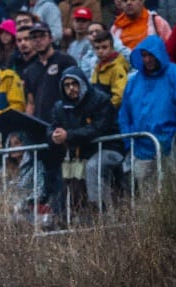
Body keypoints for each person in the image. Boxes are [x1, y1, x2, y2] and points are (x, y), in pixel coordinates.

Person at [118, 36, 176, 186]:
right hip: (141, 148)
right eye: (144, 55)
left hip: (171, 145)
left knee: (174, 191)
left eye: (151, 55)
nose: (147, 60)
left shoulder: (175, 75)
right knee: (146, 197)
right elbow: (124, 114)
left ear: (159, 54)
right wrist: (129, 142)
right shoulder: (134, 81)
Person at [47, 67, 124, 212]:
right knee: (63, 174)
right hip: (81, 153)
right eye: (67, 85)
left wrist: (68, 135)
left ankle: (99, 211)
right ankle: (65, 218)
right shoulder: (60, 106)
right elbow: (52, 126)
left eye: (74, 84)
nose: (71, 88)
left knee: (92, 166)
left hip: (108, 148)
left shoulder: (100, 99)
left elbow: (96, 129)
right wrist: (54, 135)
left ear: (82, 83)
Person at [23, 23, 78, 123]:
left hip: (63, 123)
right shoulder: (30, 70)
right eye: (34, 37)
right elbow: (31, 103)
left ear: (51, 38)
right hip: (39, 125)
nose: (38, 40)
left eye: (42, 36)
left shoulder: (65, 61)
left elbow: (76, 94)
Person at [91, 29, 132, 108]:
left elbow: (119, 96)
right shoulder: (98, 66)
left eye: (104, 47)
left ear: (112, 47)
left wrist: (106, 109)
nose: (100, 51)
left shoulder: (117, 68)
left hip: (111, 113)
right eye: (97, 48)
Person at [67, 7, 97, 76]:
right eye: (77, 20)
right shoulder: (72, 45)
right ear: (73, 22)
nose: (80, 24)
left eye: (83, 21)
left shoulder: (91, 42)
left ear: (90, 23)